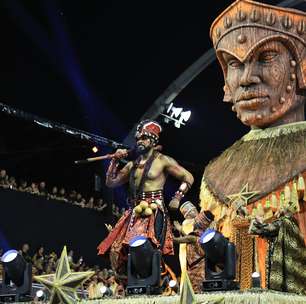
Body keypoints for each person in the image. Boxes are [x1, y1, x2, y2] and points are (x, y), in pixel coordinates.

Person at [201, 0, 306, 292]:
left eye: (267, 56)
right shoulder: (216, 171)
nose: (247, 79)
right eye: (234, 63)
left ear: (300, 66)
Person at [97, 120, 194, 278]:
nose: (139, 142)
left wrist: (177, 197)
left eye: (143, 138)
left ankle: (153, 276)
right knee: (116, 248)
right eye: (138, 139)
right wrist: (114, 161)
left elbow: (188, 177)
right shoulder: (131, 165)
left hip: (153, 209)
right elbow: (111, 182)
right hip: (135, 210)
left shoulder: (163, 161)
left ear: (152, 140)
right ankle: (129, 280)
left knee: (141, 244)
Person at [173, 202, 214, 293]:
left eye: (194, 209)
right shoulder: (190, 225)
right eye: (191, 210)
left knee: (195, 277)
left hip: (195, 256)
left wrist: (178, 230)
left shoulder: (197, 233)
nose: (194, 211)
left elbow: (187, 238)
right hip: (188, 252)